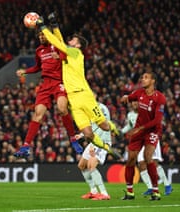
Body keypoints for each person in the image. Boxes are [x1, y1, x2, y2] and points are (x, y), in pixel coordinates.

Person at [35, 13, 119, 158]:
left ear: (78, 44)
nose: (71, 40)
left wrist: (43, 26)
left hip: (84, 95)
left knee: (104, 126)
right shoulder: (66, 54)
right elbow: (60, 41)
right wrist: (54, 25)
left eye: (73, 39)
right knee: (88, 134)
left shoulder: (76, 52)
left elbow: (57, 43)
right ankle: (108, 149)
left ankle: (117, 130)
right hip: (73, 100)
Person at [14, 30, 83, 158]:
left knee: (62, 109)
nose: (41, 37)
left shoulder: (57, 45)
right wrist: (25, 71)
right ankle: (25, 146)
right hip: (45, 84)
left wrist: (60, 57)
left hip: (59, 82)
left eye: (43, 35)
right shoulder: (39, 50)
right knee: (37, 115)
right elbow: (37, 67)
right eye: (39, 36)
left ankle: (73, 139)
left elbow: (65, 57)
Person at [120, 71, 166, 201]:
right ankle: (129, 192)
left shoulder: (160, 98)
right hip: (138, 131)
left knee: (147, 157)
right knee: (130, 159)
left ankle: (155, 191)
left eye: (146, 77)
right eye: (142, 77)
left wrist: (140, 128)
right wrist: (125, 98)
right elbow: (129, 97)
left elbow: (157, 120)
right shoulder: (139, 92)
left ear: (153, 81)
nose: (142, 79)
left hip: (152, 130)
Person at [121, 101, 173, 196]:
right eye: (133, 103)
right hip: (140, 140)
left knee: (153, 162)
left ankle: (167, 185)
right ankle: (150, 187)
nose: (134, 104)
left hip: (150, 138)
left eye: (136, 103)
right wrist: (121, 131)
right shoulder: (130, 114)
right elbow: (130, 125)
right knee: (141, 164)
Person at [78, 97, 113, 200]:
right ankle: (93, 191)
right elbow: (91, 126)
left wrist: (96, 144)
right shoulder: (89, 110)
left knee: (91, 165)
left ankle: (104, 194)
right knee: (82, 165)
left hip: (102, 141)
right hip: (93, 141)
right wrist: (81, 134)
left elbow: (104, 126)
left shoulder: (101, 109)